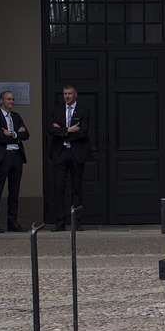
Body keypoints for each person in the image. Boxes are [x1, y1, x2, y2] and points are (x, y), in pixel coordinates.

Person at [48, 84, 94, 231]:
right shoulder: (57, 110)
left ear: (75, 95)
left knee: (76, 188)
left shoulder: (83, 110)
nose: (67, 96)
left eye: (69, 93)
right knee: (59, 187)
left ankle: (76, 221)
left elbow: (83, 132)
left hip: (76, 153)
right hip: (60, 152)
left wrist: (61, 131)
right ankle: (60, 221)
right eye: (65, 93)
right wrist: (69, 129)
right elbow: (51, 129)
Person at [0, 90, 29, 233]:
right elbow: (1, 138)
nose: (11, 101)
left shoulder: (16, 117)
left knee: (14, 190)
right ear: (1, 101)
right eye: (8, 99)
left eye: (12, 99)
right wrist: (17, 134)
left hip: (16, 156)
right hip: (2, 157)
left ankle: (13, 222)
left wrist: (12, 133)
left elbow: (26, 135)